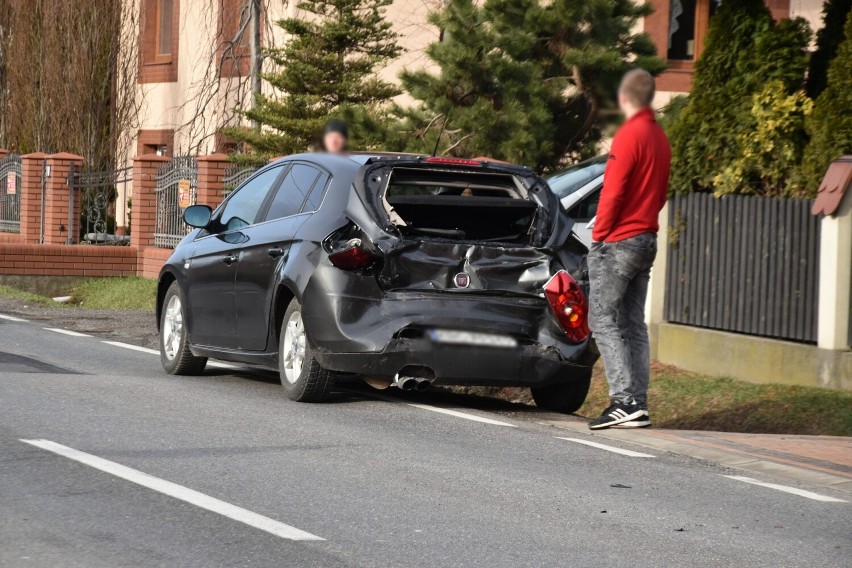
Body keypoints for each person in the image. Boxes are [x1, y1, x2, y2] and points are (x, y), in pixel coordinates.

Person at [586, 69, 671, 430]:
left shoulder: (628, 136)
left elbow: (613, 191)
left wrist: (599, 236)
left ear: (625, 98)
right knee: (633, 323)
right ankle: (638, 403)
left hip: (619, 240)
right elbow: (661, 192)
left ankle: (622, 400)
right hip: (647, 238)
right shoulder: (660, 138)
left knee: (601, 318)